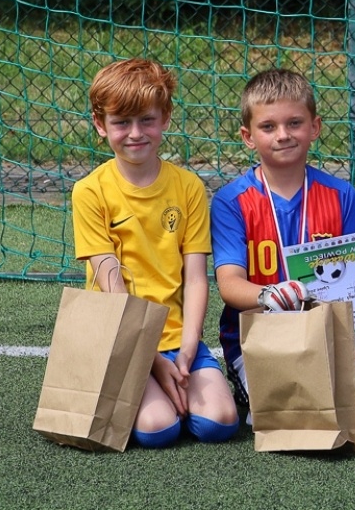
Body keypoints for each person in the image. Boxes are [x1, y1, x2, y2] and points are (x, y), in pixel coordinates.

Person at [71, 58, 238, 448]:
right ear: (100, 124)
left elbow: (195, 278)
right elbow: (113, 288)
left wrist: (188, 348)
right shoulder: (90, 192)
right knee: (158, 429)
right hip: (122, 338)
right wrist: (152, 361)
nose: (135, 133)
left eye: (146, 120)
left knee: (220, 423)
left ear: (165, 117)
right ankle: (151, 392)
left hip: (177, 337)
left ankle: (179, 382)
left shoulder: (188, 187)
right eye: (121, 122)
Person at [210, 68, 355, 433]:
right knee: (290, 406)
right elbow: (229, 284)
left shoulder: (341, 195)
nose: (283, 135)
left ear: (315, 127)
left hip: (329, 336)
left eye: (294, 123)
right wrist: (269, 294)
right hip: (261, 339)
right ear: (247, 136)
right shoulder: (231, 201)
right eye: (268, 126)